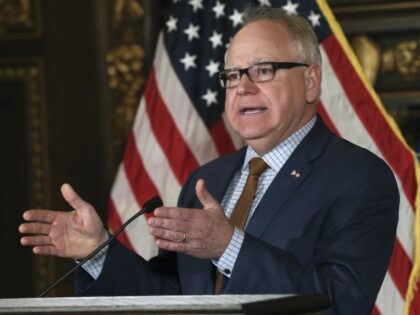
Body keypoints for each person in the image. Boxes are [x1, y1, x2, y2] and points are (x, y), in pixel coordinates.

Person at [19, 6, 399, 314]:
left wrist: (228, 246)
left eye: (263, 71)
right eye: (232, 76)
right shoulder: (209, 179)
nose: (243, 88)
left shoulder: (360, 178)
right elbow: (172, 296)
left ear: (311, 81)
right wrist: (99, 251)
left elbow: (341, 302)